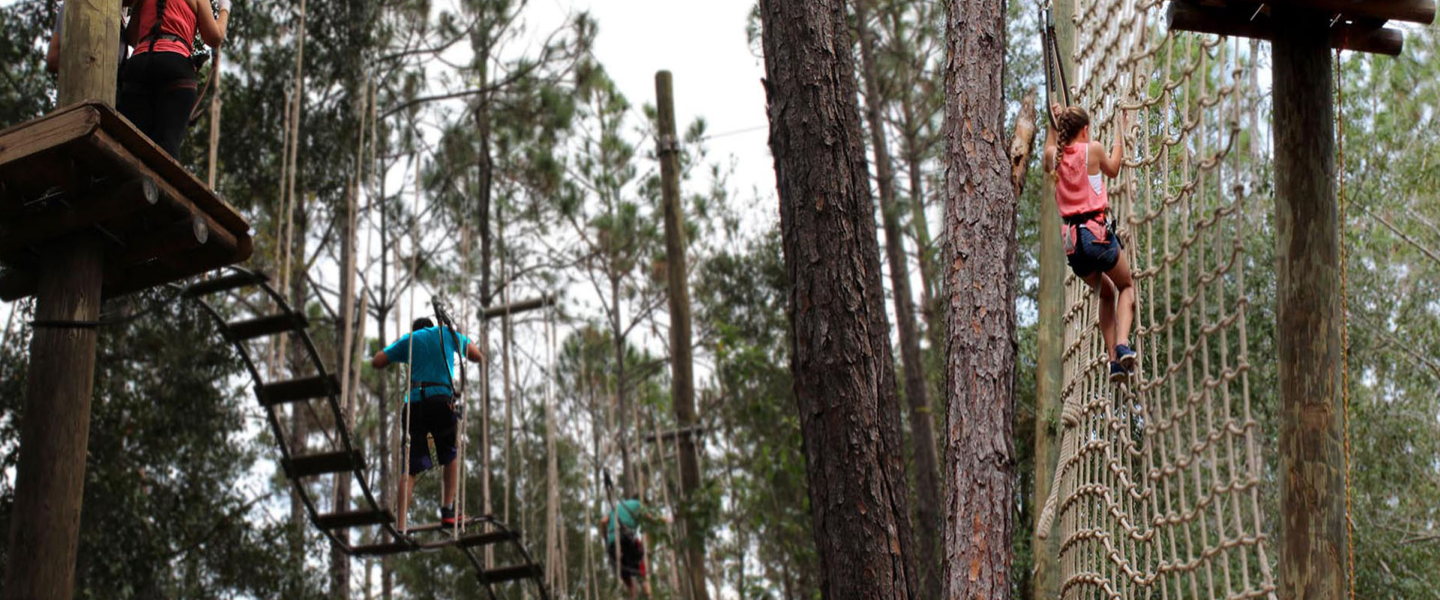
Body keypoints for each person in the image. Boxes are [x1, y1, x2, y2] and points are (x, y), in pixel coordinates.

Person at [1043, 103, 1137, 382]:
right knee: (1126, 286)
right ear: (1084, 130)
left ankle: (1113, 362)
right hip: (1095, 234)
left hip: (1073, 245)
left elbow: (1050, 147)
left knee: (1106, 293)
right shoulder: (1092, 150)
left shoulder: (1053, 158)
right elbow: (1114, 168)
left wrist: (1052, 122)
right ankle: (1122, 344)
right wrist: (1119, 131)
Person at [371, 317, 484, 532]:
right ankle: (448, 510)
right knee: (450, 455)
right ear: (432, 327)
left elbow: (378, 361)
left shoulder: (410, 340)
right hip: (441, 401)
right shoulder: (446, 334)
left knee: (409, 468)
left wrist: (402, 352)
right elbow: (476, 356)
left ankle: (401, 526)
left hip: (414, 405)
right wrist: (460, 337)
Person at [117, 0, 231, 158]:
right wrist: (225, 9)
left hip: (139, 65)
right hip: (175, 66)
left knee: (131, 144)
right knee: (167, 147)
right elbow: (215, 37)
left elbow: (131, 37)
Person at [600, 495, 669, 598]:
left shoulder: (617, 507)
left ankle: (632, 593)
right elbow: (652, 518)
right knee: (640, 568)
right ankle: (648, 593)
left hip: (612, 543)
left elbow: (603, 521)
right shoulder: (638, 504)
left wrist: (606, 540)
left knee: (625, 576)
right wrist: (666, 520)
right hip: (624, 539)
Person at [46, 1, 134, 76]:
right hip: (105, 82)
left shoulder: (67, 6)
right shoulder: (109, 8)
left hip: (71, 84)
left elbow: (52, 59)